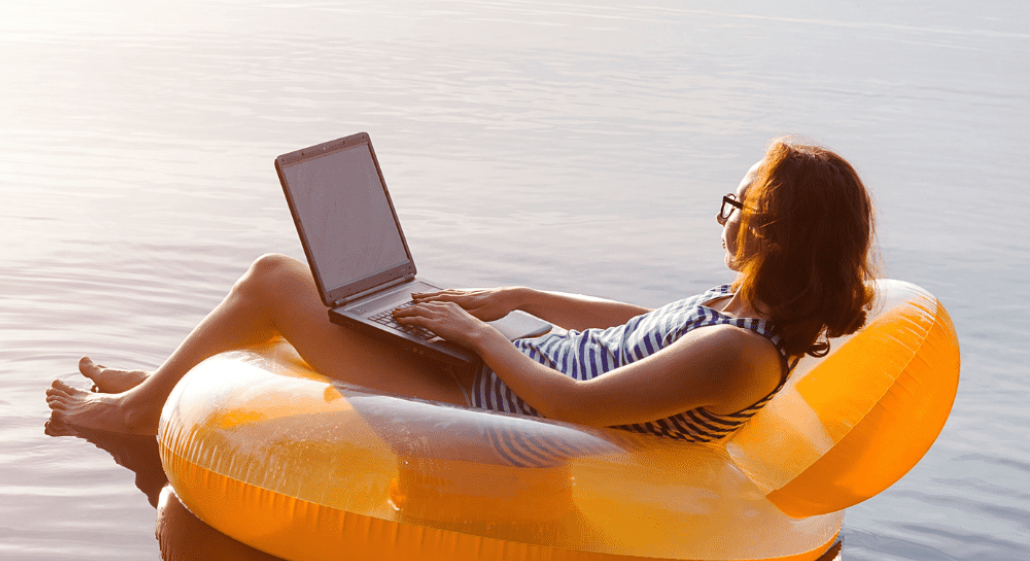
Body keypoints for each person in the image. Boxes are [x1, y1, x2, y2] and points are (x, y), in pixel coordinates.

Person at [45, 137, 875, 440]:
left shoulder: (738, 356)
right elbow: (638, 326)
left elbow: (576, 409)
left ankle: (134, 411)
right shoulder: (745, 317)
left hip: (483, 399)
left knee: (274, 279)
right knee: (342, 293)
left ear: (769, 233)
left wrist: (479, 339)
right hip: (503, 360)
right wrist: (514, 297)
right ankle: (161, 381)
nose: (723, 218)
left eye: (736, 206)